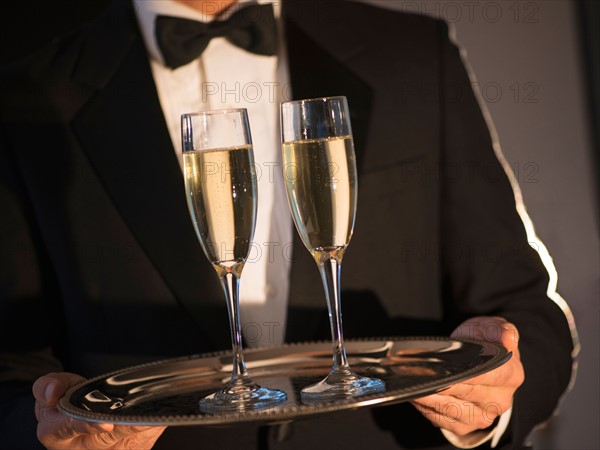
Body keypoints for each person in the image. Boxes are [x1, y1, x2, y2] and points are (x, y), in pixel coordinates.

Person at [0, 0, 577, 449]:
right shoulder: (26, 98)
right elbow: (10, 370)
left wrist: (490, 401)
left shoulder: (414, 54)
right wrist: (44, 431)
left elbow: (530, 312)